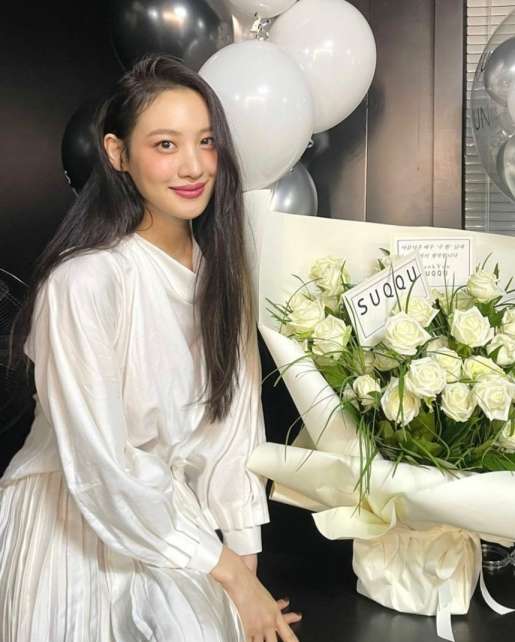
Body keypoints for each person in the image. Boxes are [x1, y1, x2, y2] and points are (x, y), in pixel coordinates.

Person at [0, 55, 302, 642]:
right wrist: (226, 573)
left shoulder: (222, 280)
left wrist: (245, 574)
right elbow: (101, 462)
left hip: (172, 524)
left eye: (206, 142)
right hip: (73, 523)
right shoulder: (85, 282)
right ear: (118, 154)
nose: (194, 166)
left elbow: (232, 434)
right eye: (166, 144)